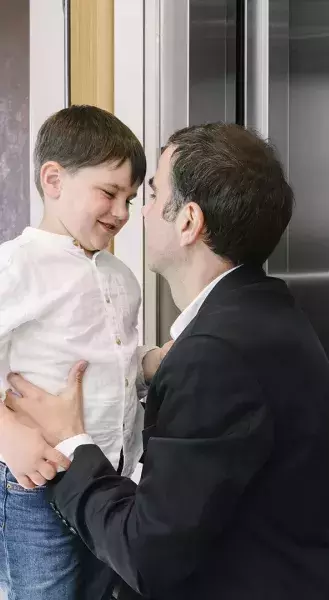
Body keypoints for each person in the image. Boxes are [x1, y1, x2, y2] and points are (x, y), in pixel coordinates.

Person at [5, 123, 329, 600]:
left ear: (188, 221)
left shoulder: (216, 352)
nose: (133, 214)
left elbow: (147, 555)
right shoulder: (261, 315)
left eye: (149, 195)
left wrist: (74, 440)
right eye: (111, 193)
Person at [0, 105, 170, 600]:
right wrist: (8, 434)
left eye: (132, 199)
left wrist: (151, 362)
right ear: (53, 179)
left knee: (101, 590)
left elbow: (113, 363)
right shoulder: (17, 266)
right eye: (109, 192)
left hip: (104, 473)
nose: (121, 212)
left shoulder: (121, 278)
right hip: (32, 481)